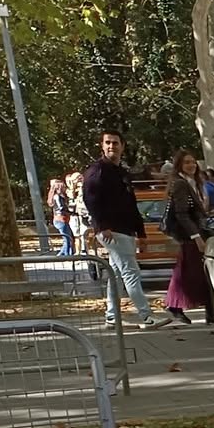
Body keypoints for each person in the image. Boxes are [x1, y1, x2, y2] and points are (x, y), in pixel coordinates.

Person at [82, 130, 165, 328]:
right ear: (102, 146)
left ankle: (111, 316)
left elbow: (131, 204)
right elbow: (90, 199)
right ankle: (146, 316)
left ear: (122, 146)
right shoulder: (97, 171)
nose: (112, 146)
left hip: (125, 229)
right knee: (131, 273)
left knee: (117, 274)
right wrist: (102, 226)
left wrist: (141, 232)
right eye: (108, 143)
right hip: (112, 231)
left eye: (115, 143)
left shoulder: (121, 172)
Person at [163, 148, 214, 327]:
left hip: (195, 232)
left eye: (193, 162)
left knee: (190, 271)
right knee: (193, 272)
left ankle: (206, 310)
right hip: (188, 235)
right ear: (179, 165)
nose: (191, 165)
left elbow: (194, 209)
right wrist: (196, 237)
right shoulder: (180, 184)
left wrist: (208, 213)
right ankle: (176, 306)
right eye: (186, 162)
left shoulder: (194, 182)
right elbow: (182, 214)